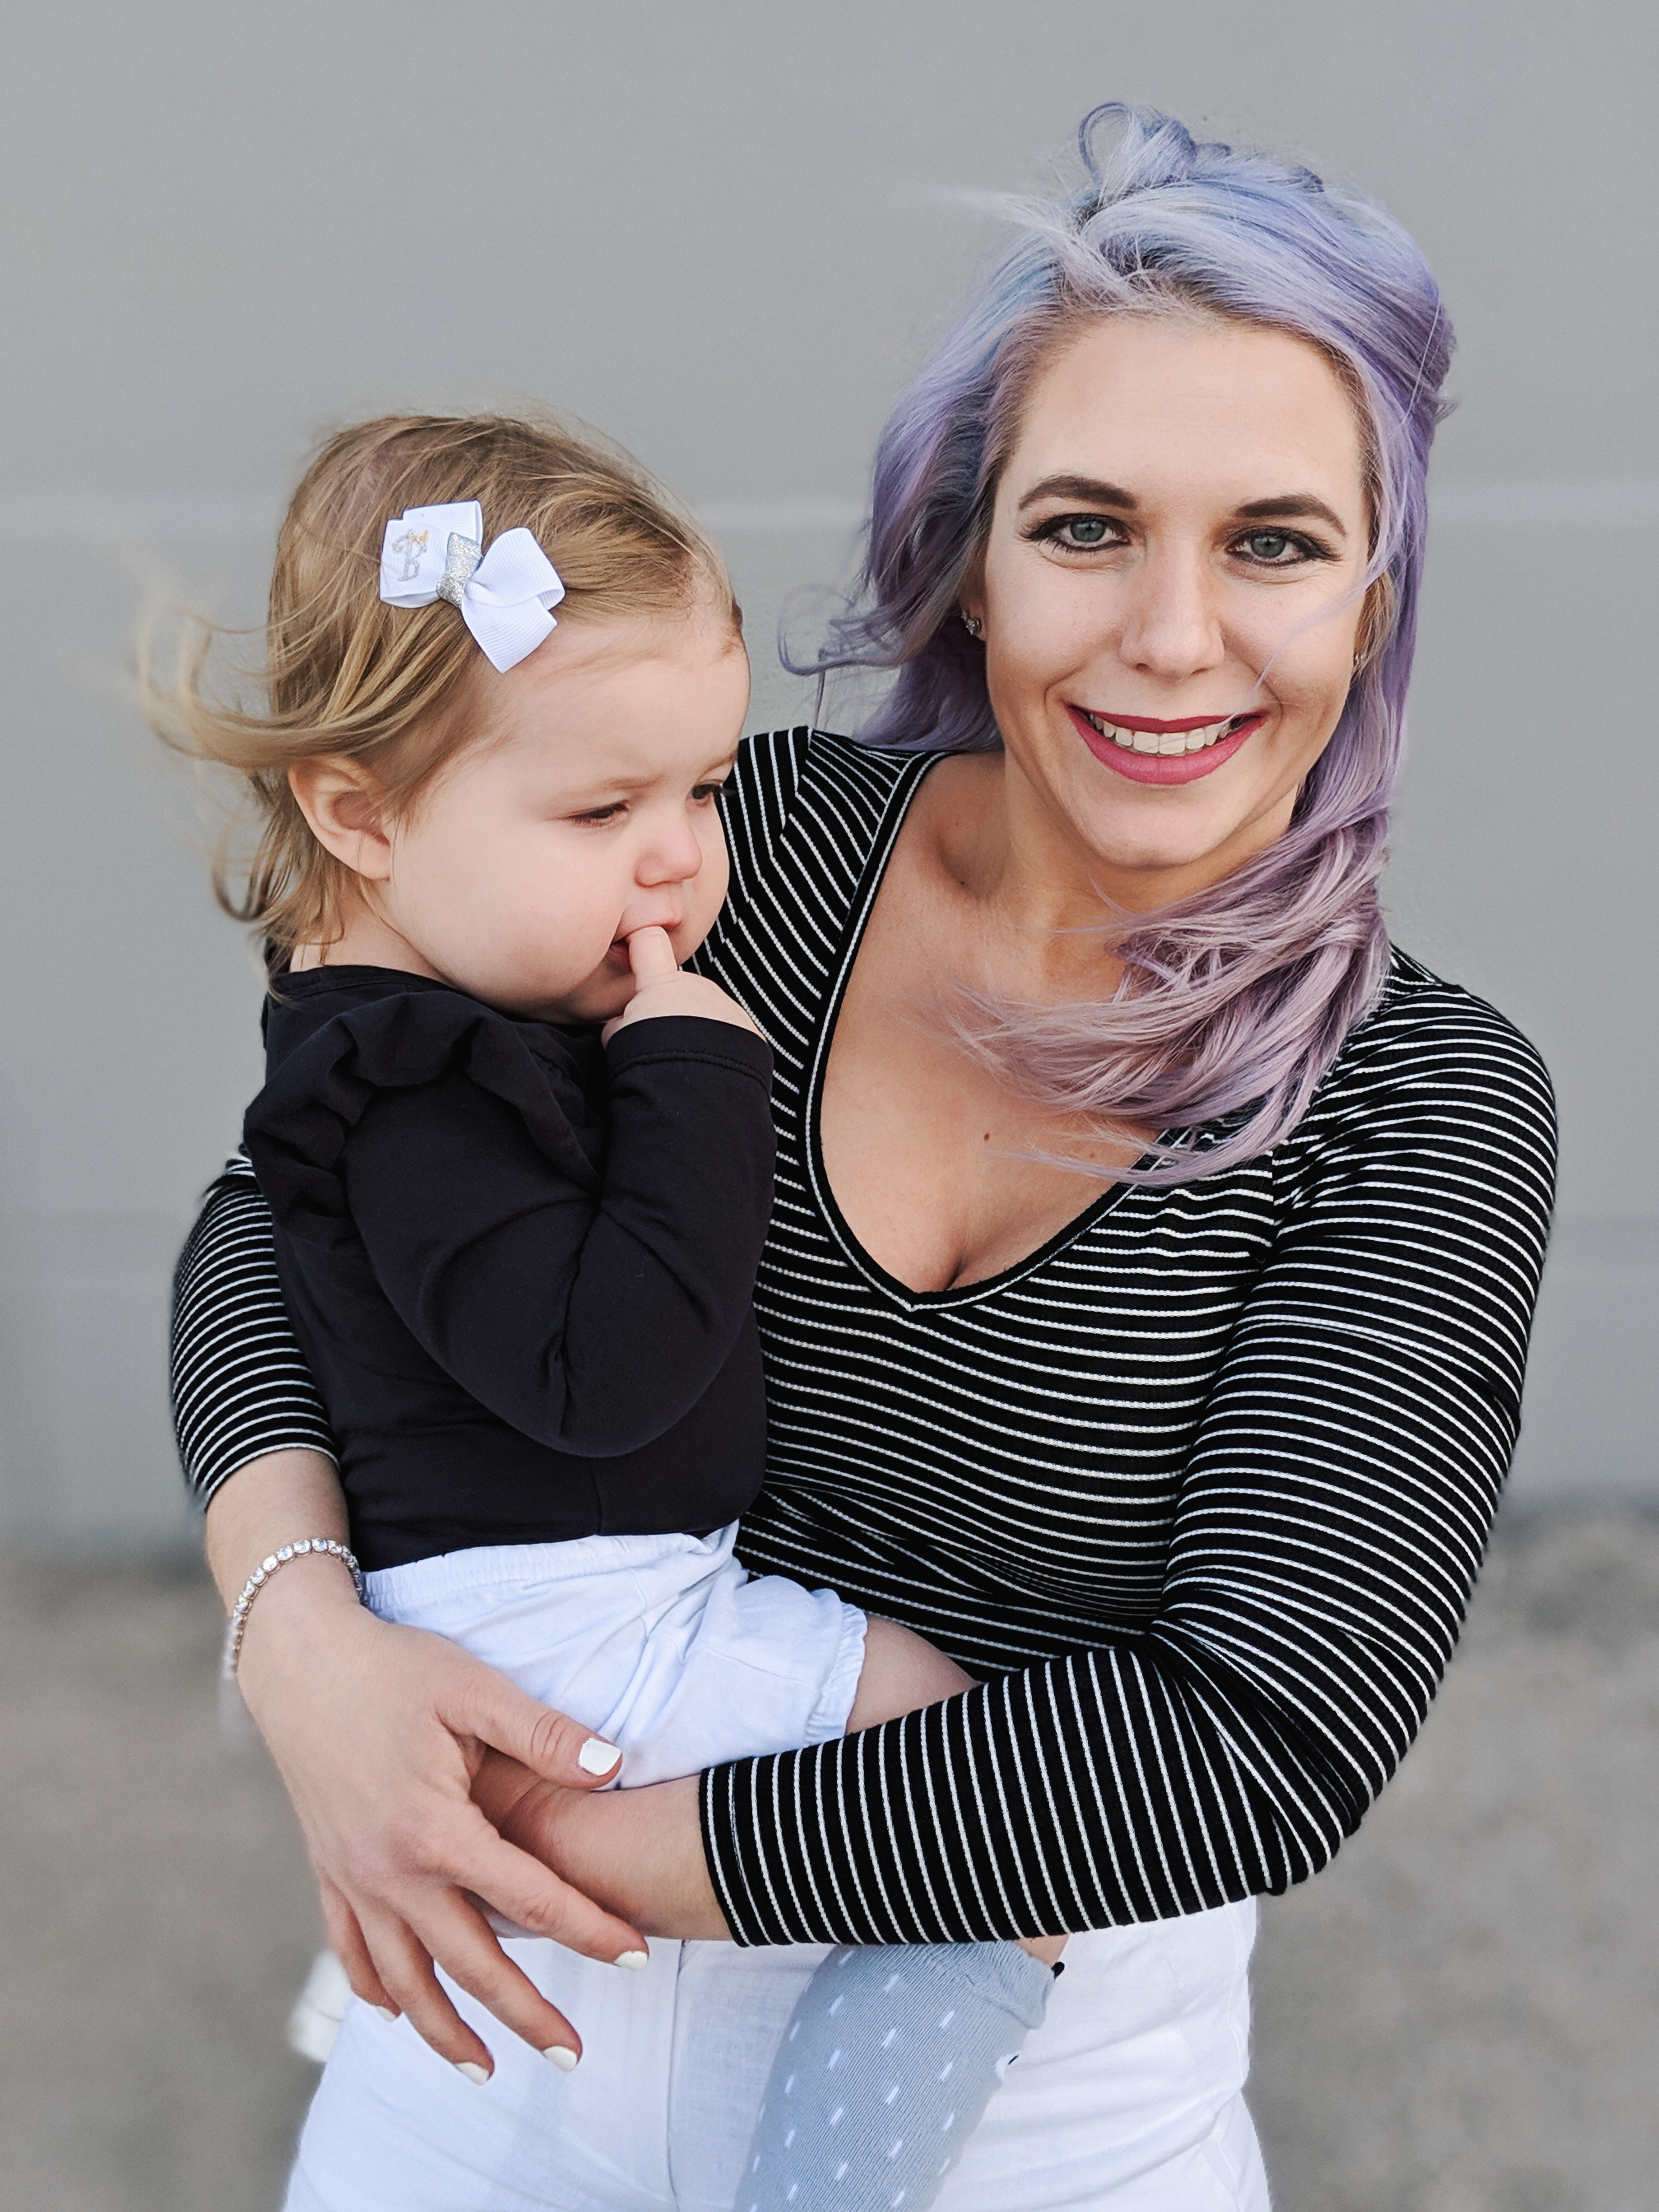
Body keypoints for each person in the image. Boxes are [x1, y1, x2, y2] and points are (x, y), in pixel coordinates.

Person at [170, 104, 1557, 2211]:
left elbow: (1260, 1728)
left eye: (1273, 541)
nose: (1173, 637)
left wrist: (583, 1842)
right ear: (968, 556)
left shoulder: (1420, 1101)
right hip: (483, 2068)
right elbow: (291, 1202)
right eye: (1087, 527)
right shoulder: (737, 858)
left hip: (1012, 2115)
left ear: (1373, 599)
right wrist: (302, 1649)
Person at [163, 413, 1061, 2211]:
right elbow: (606, 1371)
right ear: (359, 812)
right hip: (567, 1642)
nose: (681, 867)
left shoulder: (436, 1017)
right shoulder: (408, 1082)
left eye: (708, 792)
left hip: (590, 1606)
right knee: (978, 1799)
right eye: (602, 810)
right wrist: (692, 1083)